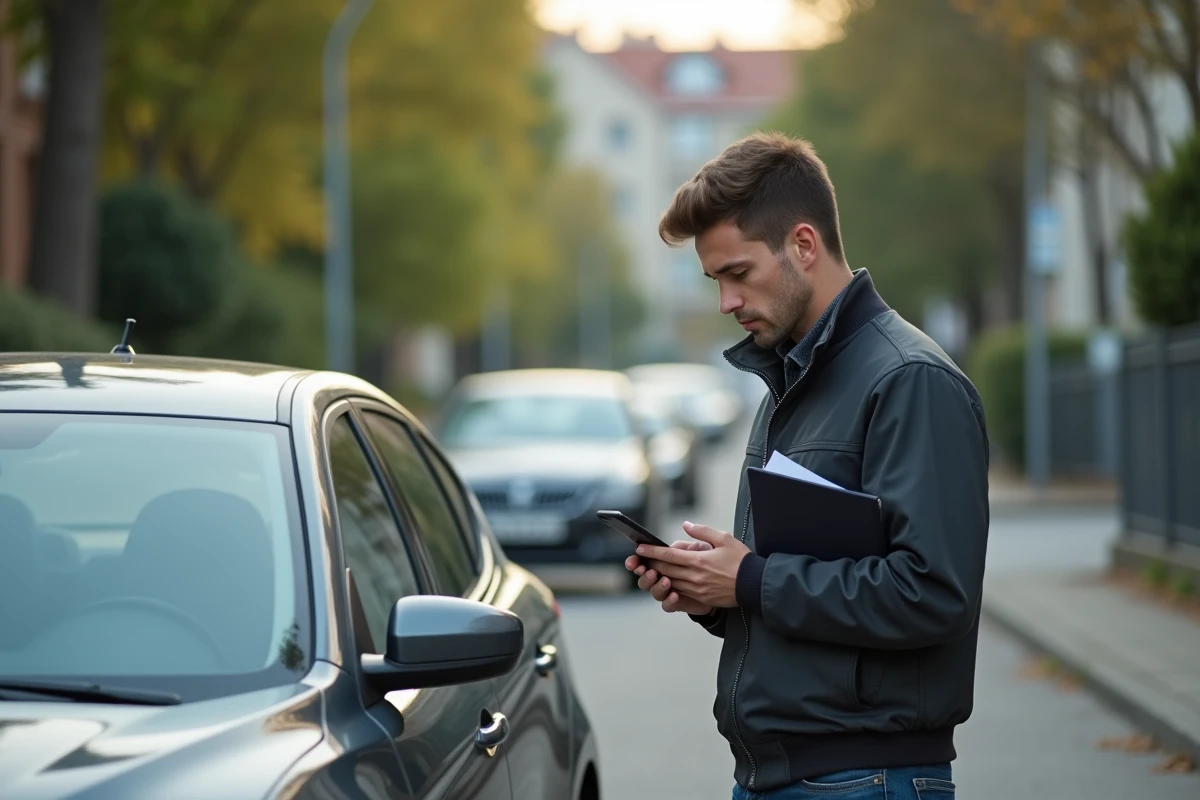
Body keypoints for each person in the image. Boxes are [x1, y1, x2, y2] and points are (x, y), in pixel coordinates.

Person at [626, 132, 990, 799]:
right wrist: (713, 592)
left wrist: (752, 581)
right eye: (715, 281)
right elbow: (801, 588)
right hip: (782, 776)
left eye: (738, 273)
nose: (726, 302)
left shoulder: (911, 381)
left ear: (803, 245)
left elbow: (932, 594)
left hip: (865, 778)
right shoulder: (790, 379)